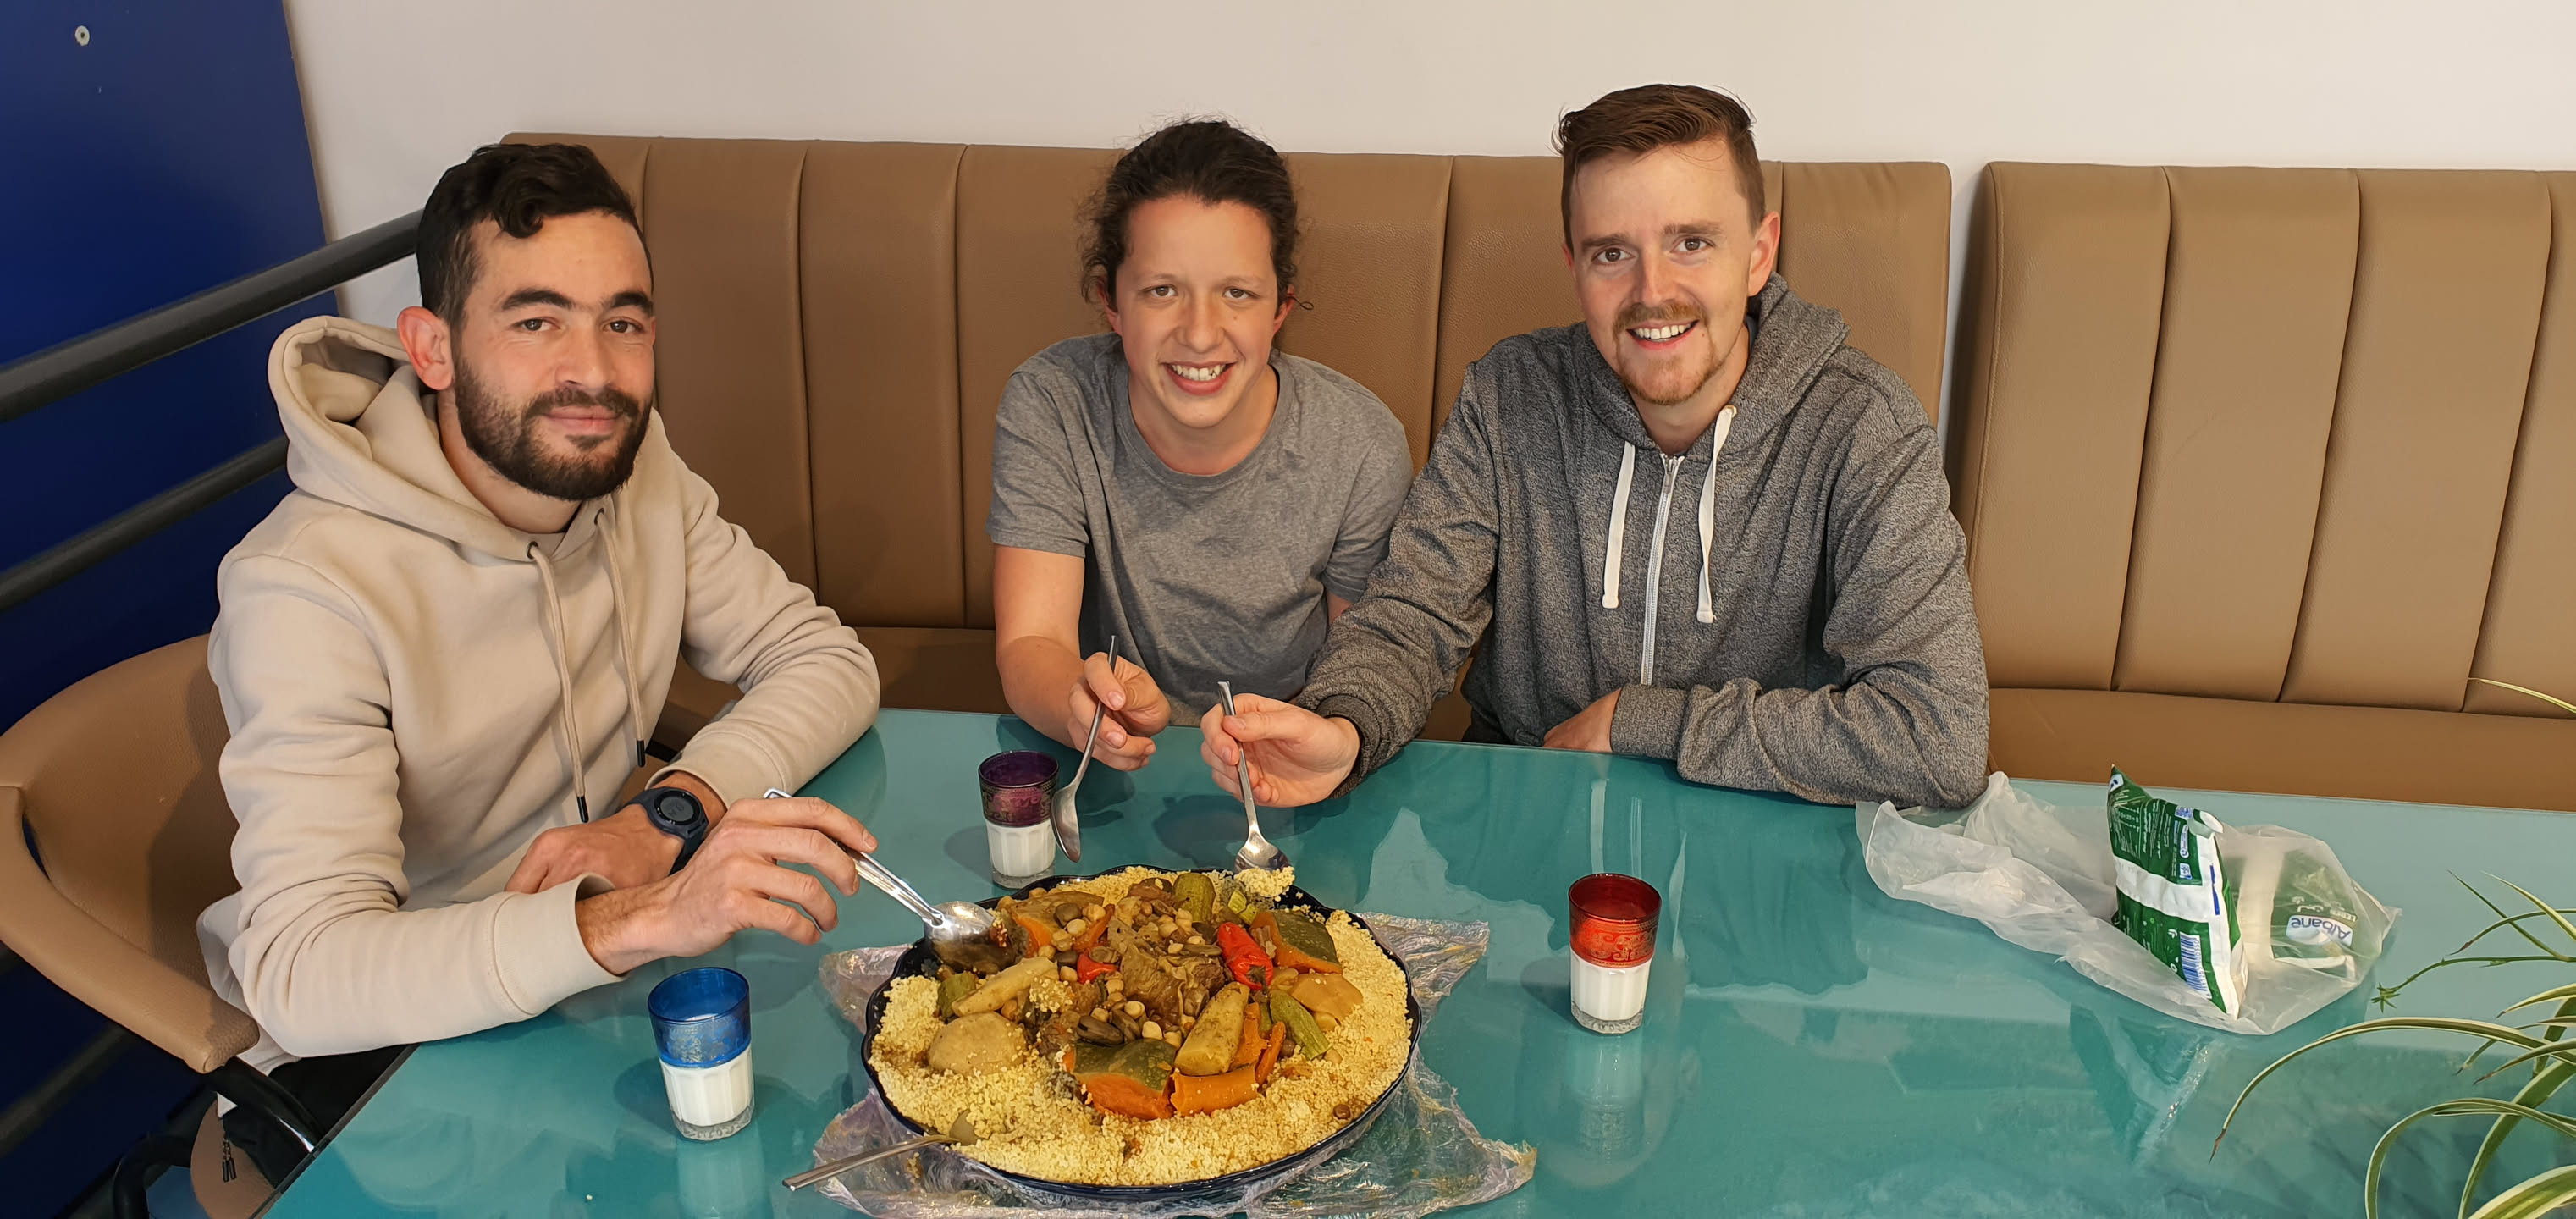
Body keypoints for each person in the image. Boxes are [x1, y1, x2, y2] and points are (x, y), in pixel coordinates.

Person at [201, 144, 880, 1178]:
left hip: (597, 998)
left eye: (624, 323)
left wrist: (668, 814)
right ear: (432, 348)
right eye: (535, 322)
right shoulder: (305, 586)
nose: (594, 374)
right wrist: (636, 918)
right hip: (399, 1067)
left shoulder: (630, 465)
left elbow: (824, 659)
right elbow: (301, 971)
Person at [1200, 85, 1989, 810]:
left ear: (1758, 253)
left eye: (1691, 243)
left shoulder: (1862, 427)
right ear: (1574, 267)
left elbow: (1938, 739)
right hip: (1524, 838)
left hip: (1755, 839)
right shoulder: (1508, 396)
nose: (1652, 291)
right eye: (1613, 253)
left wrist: (1642, 722)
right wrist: (1344, 726)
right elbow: (1414, 614)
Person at [988, 119, 1412, 771]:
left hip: (1287, 769)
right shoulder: (1053, 402)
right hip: (1105, 770)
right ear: (1111, 301)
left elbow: (1364, 662)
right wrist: (1086, 710)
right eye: (1162, 291)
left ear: (1279, 309)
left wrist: (1306, 741)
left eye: (1236, 293)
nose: (1199, 334)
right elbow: (1032, 641)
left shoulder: (1359, 442)